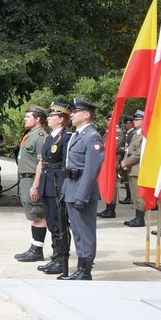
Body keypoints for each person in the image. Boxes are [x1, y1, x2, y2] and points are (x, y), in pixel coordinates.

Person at [60, 98, 104, 281]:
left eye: (76, 111)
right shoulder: (77, 135)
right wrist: (64, 191)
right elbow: (69, 166)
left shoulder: (92, 136)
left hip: (82, 191)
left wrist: (82, 196)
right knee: (77, 231)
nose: (72, 114)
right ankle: (80, 268)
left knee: (85, 231)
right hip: (71, 188)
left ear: (86, 115)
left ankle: (85, 271)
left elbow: (91, 170)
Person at [33, 101, 74, 277]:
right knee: (51, 221)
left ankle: (62, 258)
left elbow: (66, 163)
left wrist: (65, 187)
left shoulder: (66, 138)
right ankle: (56, 255)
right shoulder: (50, 137)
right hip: (47, 182)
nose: (48, 118)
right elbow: (43, 161)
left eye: (52, 116)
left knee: (60, 223)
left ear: (61, 119)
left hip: (58, 182)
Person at [13, 107, 50, 263]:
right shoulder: (30, 135)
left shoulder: (41, 136)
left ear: (38, 119)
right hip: (25, 178)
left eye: (28, 116)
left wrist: (35, 186)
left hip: (33, 178)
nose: (25, 119)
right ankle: (34, 246)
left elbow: (42, 162)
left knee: (38, 214)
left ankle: (37, 250)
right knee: (33, 214)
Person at [121, 111, 147, 228]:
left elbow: (139, 153)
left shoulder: (145, 135)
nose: (134, 121)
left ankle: (140, 218)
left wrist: (126, 162)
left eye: (137, 120)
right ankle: (137, 216)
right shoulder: (137, 134)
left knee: (139, 195)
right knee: (134, 194)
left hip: (138, 168)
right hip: (132, 168)